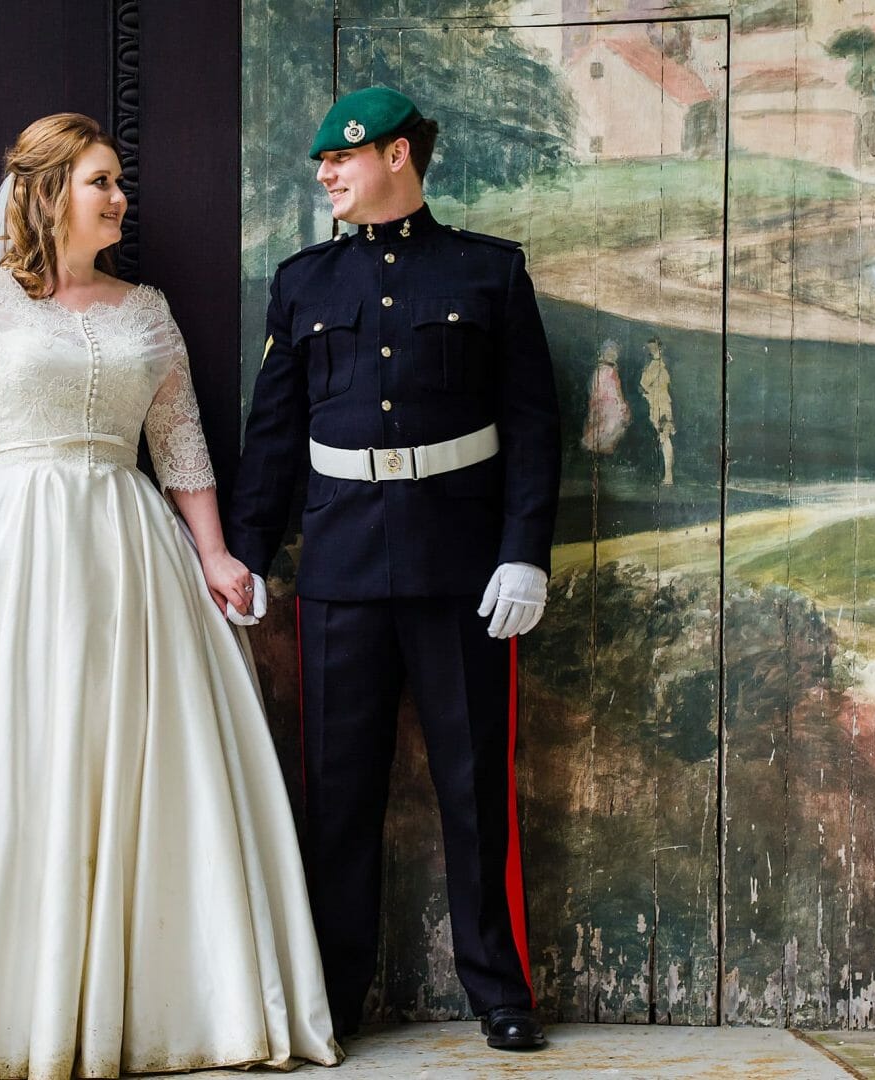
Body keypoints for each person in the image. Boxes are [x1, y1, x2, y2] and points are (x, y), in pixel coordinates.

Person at [0, 113, 340, 1080]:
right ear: (46, 194)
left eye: (118, 180)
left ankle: (145, 1003)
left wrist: (213, 554)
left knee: (127, 756)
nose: (119, 198)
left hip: (127, 556)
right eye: (101, 181)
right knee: (1, 757)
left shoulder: (149, 310)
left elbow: (180, 448)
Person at [227, 86, 561, 1051]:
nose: (326, 173)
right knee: (338, 796)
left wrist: (522, 554)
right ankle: (336, 993)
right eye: (322, 162)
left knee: (475, 791)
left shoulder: (488, 274)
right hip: (338, 567)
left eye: (343, 157)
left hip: (462, 569)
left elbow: (534, 429)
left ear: (399, 157)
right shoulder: (302, 285)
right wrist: (246, 556)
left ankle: (501, 992)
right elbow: (274, 436)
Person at [581, 338, 631, 455]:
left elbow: (617, 390)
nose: (612, 356)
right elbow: (596, 389)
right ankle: (594, 447)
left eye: (614, 354)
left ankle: (600, 448)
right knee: (606, 424)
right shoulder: (601, 371)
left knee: (615, 424)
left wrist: (620, 403)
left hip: (611, 404)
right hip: (603, 403)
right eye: (609, 353)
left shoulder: (611, 371)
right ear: (604, 353)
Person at [639, 336, 675, 486]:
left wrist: (647, 391)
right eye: (650, 348)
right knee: (663, 438)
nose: (652, 350)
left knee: (664, 438)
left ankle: (668, 477)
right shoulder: (656, 365)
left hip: (662, 406)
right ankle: (667, 476)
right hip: (657, 405)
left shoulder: (658, 365)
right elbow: (644, 386)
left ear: (659, 348)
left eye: (654, 347)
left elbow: (644, 383)